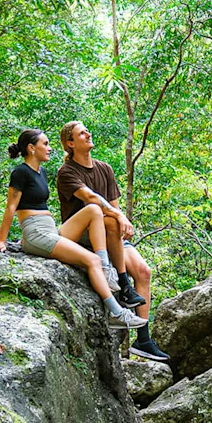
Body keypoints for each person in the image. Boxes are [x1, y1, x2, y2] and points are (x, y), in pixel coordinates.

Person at [0, 128, 146, 330]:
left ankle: (107, 269)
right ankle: (116, 313)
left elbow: (36, 204)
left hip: (50, 230)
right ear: (31, 148)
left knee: (93, 210)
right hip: (36, 232)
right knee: (92, 260)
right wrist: (3, 241)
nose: (50, 148)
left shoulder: (41, 172)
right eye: (45, 144)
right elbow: (11, 207)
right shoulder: (20, 172)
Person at [56, 121, 170, 362]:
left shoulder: (104, 169)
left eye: (88, 130)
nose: (88, 134)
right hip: (85, 235)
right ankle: (122, 283)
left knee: (143, 271)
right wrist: (119, 217)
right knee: (109, 221)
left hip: (109, 233)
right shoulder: (67, 172)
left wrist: (121, 220)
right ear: (70, 143)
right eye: (81, 133)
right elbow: (90, 199)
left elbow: (114, 208)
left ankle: (143, 340)